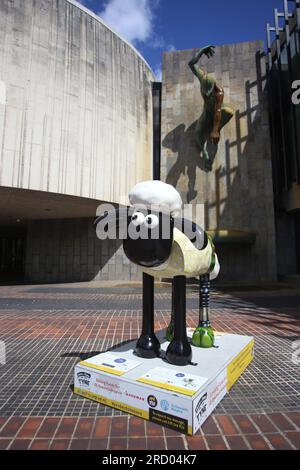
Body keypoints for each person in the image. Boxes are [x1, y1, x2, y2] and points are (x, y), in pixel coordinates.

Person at [189, 45, 234, 171]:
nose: (207, 94)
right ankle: (205, 153)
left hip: (217, 114)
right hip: (207, 112)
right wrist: (201, 51)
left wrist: (215, 129)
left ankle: (216, 129)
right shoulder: (202, 77)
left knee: (228, 112)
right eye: (205, 92)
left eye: (209, 92)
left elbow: (218, 110)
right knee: (197, 133)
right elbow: (191, 64)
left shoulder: (219, 93)